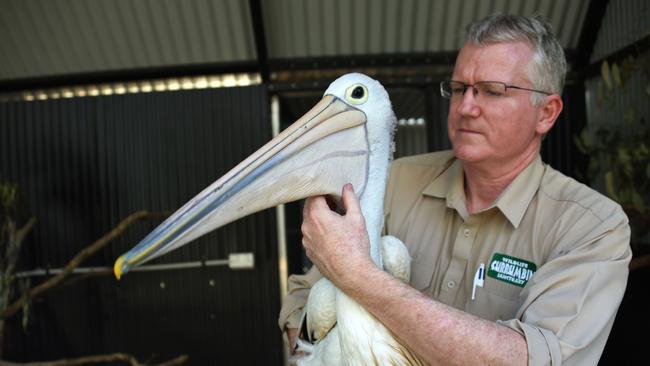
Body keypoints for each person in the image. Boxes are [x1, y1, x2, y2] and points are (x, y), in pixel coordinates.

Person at [278, 14, 631, 365]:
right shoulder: (395, 183)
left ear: (547, 113)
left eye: (492, 91)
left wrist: (359, 277)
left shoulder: (592, 226)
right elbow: (303, 301)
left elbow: (534, 360)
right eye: (459, 88)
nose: (465, 108)